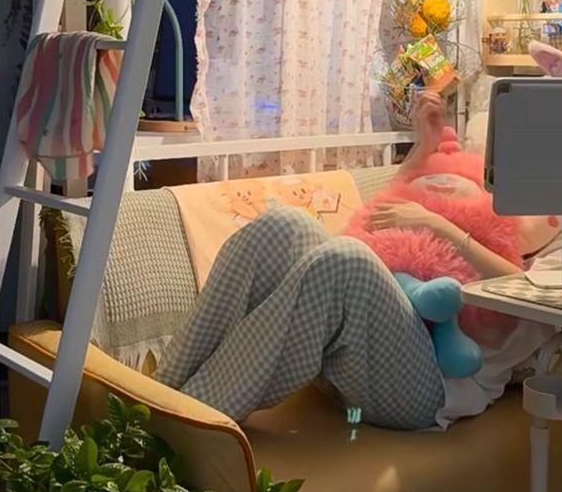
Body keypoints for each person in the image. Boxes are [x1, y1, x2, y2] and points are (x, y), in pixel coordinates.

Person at [155, 93, 530, 431]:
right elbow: (372, 222)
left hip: (432, 387)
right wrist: (422, 151)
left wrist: (441, 226)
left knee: (345, 259)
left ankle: (192, 425)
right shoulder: (419, 208)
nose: (444, 184)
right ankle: (158, 395)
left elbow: (526, 295)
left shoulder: (518, 239)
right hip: (354, 359)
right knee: (283, 224)